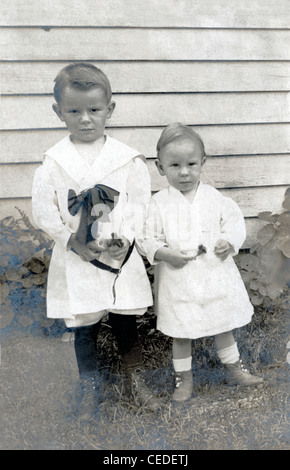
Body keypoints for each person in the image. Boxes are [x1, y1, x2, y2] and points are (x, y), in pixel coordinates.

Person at [31, 63, 160, 420]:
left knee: (124, 316)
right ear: (59, 113)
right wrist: (69, 239)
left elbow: (139, 203)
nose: (85, 119)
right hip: (78, 254)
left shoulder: (127, 159)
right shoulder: (54, 162)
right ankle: (89, 386)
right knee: (84, 322)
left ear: (110, 110)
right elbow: (43, 209)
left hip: (117, 254)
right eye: (74, 111)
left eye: (94, 110)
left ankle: (136, 380)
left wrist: (126, 237)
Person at [141, 123, 264, 402]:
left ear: (202, 163)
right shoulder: (158, 204)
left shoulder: (214, 198)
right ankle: (183, 379)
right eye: (174, 165)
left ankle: (235, 369)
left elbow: (233, 223)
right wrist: (164, 253)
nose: (184, 172)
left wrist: (228, 242)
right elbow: (147, 238)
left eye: (191, 164)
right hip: (179, 279)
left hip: (214, 275)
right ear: (160, 168)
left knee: (222, 322)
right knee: (181, 331)